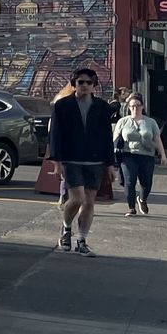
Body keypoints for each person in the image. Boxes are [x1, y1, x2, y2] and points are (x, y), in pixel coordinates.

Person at [47, 68, 115, 258]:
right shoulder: (62, 106)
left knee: (90, 201)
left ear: (94, 85)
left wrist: (110, 163)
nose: (85, 85)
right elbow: (55, 135)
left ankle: (82, 241)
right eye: (80, 82)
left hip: (95, 160)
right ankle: (66, 229)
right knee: (77, 199)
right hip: (72, 158)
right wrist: (56, 160)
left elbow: (106, 136)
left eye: (88, 82)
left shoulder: (102, 107)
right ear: (74, 84)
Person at [112, 94, 167, 217]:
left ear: (142, 107)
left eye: (137, 106)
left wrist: (163, 154)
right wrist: (112, 154)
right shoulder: (123, 121)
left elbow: (157, 138)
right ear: (128, 108)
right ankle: (131, 208)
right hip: (128, 155)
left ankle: (142, 199)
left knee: (146, 183)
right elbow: (115, 139)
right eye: (132, 106)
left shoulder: (150, 122)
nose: (135, 108)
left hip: (147, 156)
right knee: (130, 181)